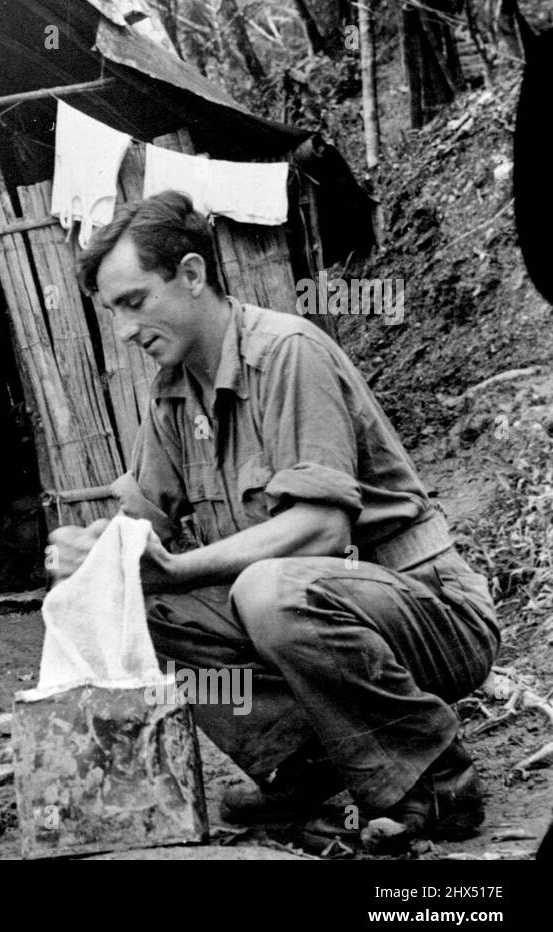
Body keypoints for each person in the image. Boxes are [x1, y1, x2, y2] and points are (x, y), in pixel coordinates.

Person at [48, 191, 499, 853]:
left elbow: (321, 530)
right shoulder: (173, 392)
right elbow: (138, 524)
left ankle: (435, 779)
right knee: (131, 604)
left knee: (267, 592)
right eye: (112, 310)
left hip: (432, 617)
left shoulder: (287, 352)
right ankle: (301, 767)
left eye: (134, 301)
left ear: (194, 275)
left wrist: (173, 568)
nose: (122, 330)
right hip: (320, 625)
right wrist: (95, 553)